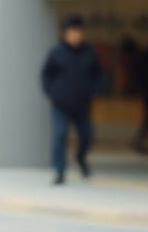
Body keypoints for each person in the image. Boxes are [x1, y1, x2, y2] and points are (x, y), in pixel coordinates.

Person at [40, 14, 104, 184]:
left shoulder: (89, 52)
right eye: (72, 32)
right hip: (61, 103)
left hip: (82, 104)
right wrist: (51, 93)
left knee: (87, 136)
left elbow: (98, 74)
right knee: (60, 135)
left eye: (78, 31)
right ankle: (60, 171)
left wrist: (94, 90)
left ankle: (81, 158)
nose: (75, 35)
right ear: (66, 33)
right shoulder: (57, 52)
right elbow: (46, 74)